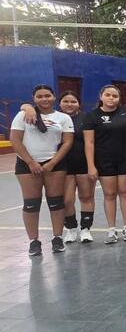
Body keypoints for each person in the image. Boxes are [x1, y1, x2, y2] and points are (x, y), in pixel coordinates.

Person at [11, 85, 74, 255]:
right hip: (27, 164)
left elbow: (67, 142)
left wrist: (52, 163)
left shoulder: (63, 118)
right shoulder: (23, 115)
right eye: (40, 96)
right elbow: (15, 140)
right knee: (31, 204)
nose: (44, 99)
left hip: (54, 164)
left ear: (54, 97)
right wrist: (31, 162)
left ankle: (57, 238)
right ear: (33, 98)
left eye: (47, 95)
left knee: (56, 202)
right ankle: (34, 241)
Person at [84, 85, 126, 244]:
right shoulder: (92, 116)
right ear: (101, 96)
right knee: (110, 194)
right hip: (104, 161)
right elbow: (89, 142)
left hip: (124, 160)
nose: (111, 98)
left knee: (125, 192)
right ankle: (111, 230)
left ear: (119, 98)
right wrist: (91, 165)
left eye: (115, 96)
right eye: (108, 95)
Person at [59, 92, 95, 243]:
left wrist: (91, 165)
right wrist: (26, 106)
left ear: (79, 103)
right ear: (59, 103)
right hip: (62, 166)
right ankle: (71, 228)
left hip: (83, 164)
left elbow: (90, 142)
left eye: (73, 101)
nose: (69, 104)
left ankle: (85, 229)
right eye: (65, 101)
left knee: (86, 197)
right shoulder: (55, 119)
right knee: (67, 200)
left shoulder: (86, 118)